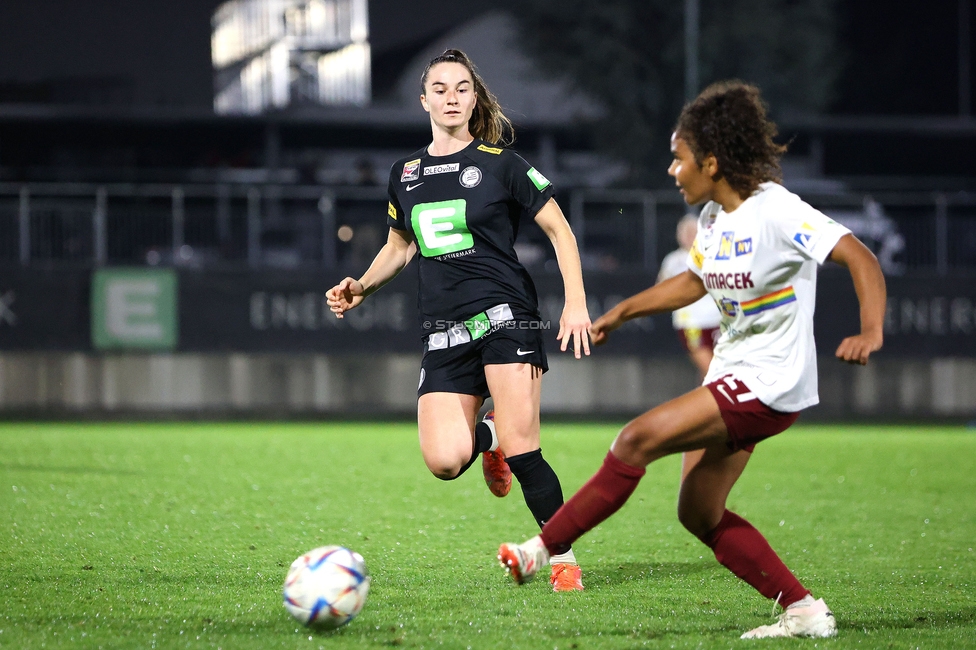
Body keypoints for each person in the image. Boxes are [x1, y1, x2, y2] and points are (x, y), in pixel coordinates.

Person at [497, 80, 886, 635]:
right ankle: (803, 610)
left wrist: (869, 331)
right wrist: (622, 312)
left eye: (678, 160)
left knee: (636, 439)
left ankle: (541, 548)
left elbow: (860, 257)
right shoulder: (713, 220)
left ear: (711, 161)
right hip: (736, 374)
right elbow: (694, 282)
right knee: (698, 512)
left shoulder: (777, 211)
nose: (671, 170)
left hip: (768, 383)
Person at [327, 49, 592, 592]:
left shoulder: (502, 164)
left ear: (475, 98)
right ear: (424, 100)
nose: (451, 97)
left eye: (462, 88)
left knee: (525, 452)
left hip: (506, 318)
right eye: (441, 88)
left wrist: (576, 303)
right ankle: (486, 434)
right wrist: (361, 286)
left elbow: (561, 233)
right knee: (446, 461)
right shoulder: (405, 174)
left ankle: (561, 558)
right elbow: (399, 248)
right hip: (443, 331)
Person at [659, 213, 723, 379]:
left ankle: (706, 404)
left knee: (716, 371)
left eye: (693, 231)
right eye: (686, 232)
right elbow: (660, 289)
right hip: (691, 322)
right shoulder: (673, 260)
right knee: (711, 370)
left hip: (717, 320)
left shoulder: (713, 255)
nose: (689, 236)